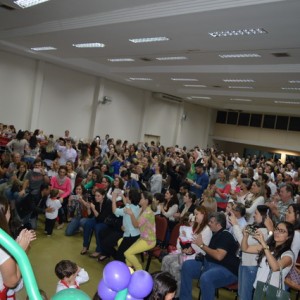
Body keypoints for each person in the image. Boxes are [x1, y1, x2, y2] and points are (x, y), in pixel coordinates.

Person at [180, 212, 239, 300]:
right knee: (187, 265)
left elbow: (219, 256)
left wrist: (202, 245)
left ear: (218, 225)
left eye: (211, 222)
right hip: (210, 264)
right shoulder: (215, 233)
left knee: (206, 278)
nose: (209, 223)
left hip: (227, 270)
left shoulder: (226, 235)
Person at [162, 206, 212, 297]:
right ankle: (164, 288)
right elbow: (181, 239)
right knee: (166, 259)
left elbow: (203, 251)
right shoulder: (194, 225)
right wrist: (183, 246)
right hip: (186, 253)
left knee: (175, 266)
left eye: (197, 214)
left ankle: (175, 294)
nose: (194, 216)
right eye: (194, 213)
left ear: (203, 215)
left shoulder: (207, 230)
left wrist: (192, 247)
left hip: (197, 258)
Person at [229, 205, 269, 300]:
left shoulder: (263, 231)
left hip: (251, 265)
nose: (254, 216)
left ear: (264, 216)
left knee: (245, 296)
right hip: (245, 263)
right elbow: (244, 234)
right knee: (241, 294)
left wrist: (235, 224)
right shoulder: (256, 228)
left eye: (256, 213)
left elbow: (243, 243)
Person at [241, 221, 294, 291]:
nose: (277, 232)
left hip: (273, 291)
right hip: (258, 287)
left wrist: (263, 243)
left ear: (288, 237)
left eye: (282, 231)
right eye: (277, 229)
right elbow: (245, 248)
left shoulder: (288, 254)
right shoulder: (268, 247)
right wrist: (245, 236)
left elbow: (275, 267)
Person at [0, 196, 36, 297]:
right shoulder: (2, 247)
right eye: (9, 211)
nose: (10, 213)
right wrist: (20, 250)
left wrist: (15, 245)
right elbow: (12, 282)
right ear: (3, 214)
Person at [123, 191, 156, 270]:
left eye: (141, 198)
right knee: (123, 244)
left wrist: (131, 214)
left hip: (149, 241)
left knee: (127, 253)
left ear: (146, 201)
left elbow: (136, 225)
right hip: (142, 238)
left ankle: (139, 270)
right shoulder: (141, 209)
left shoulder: (147, 212)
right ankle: (130, 269)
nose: (139, 199)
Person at [80, 188, 112, 257]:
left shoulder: (108, 203)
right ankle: (85, 246)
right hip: (98, 219)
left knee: (97, 227)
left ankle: (99, 250)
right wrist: (89, 208)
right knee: (87, 224)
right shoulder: (96, 201)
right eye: (95, 196)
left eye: (98, 196)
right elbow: (90, 215)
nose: (96, 197)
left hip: (106, 222)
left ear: (103, 196)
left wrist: (94, 209)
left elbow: (101, 219)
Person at [50, 165, 72, 229]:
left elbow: (68, 191)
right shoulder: (54, 178)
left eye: (63, 172)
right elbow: (51, 188)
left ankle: (61, 222)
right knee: (56, 203)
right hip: (54, 195)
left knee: (58, 204)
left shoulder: (68, 180)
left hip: (64, 196)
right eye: (60, 172)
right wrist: (58, 191)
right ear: (58, 171)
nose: (62, 173)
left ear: (66, 173)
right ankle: (53, 219)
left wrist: (62, 197)